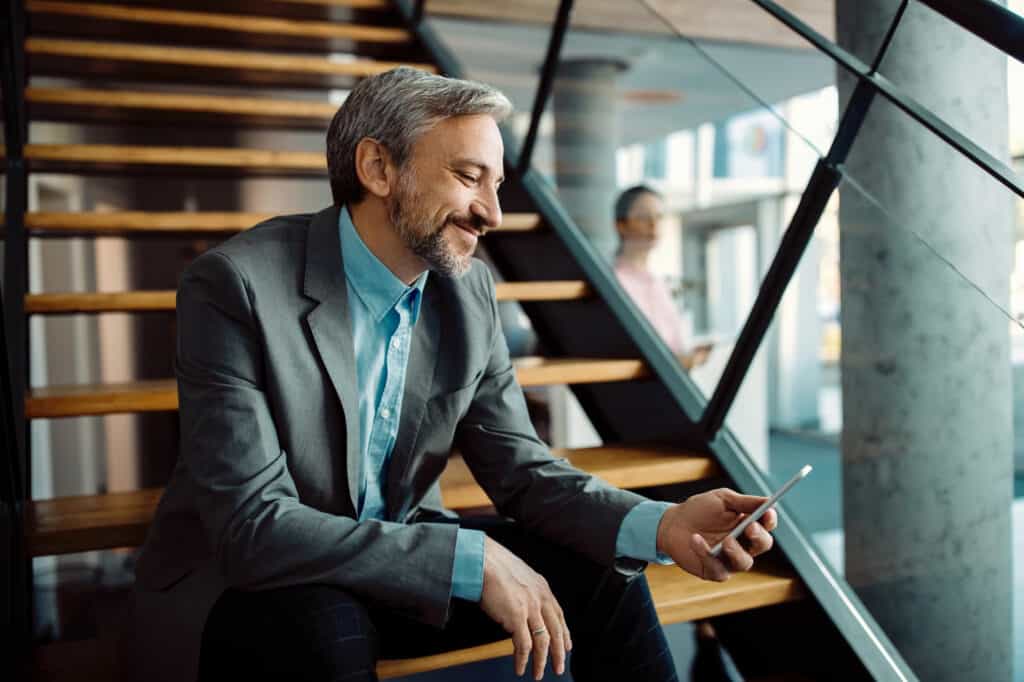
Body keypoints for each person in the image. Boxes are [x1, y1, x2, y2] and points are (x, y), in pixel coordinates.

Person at [130, 67, 778, 682]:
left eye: (496, 185)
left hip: (394, 560)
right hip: (257, 578)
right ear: (379, 168)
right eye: (471, 177)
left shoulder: (467, 294)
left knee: (605, 569)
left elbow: (522, 473)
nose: (492, 213)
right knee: (323, 631)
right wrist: (468, 559)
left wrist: (662, 525)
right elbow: (253, 527)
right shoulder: (234, 287)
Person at [613, 186, 711, 369]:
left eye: (659, 216)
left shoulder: (658, 283)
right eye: (643, 217)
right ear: (621, 225)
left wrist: (689, 357)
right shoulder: (614, 282)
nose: (653, 224)